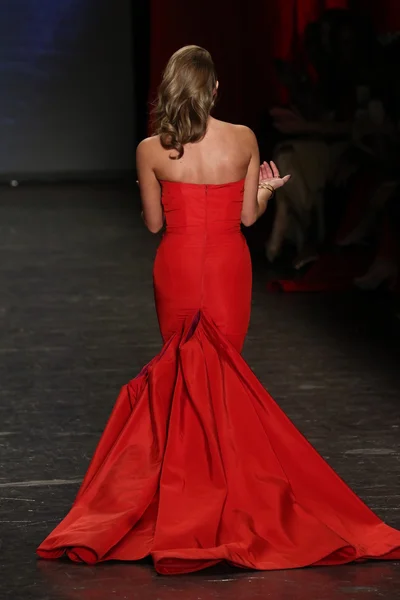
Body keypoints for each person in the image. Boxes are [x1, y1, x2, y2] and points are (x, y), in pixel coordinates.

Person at [37, 45, 400, 575]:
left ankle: (189, 503)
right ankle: (224, 499)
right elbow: (250, 217)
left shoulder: (151, 150)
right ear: (213, 91)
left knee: (185, 378)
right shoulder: (245, 139)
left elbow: (156, 226)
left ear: (171, 89)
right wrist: (269, 191)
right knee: (223, 380)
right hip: (229, 267)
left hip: (179, 267)